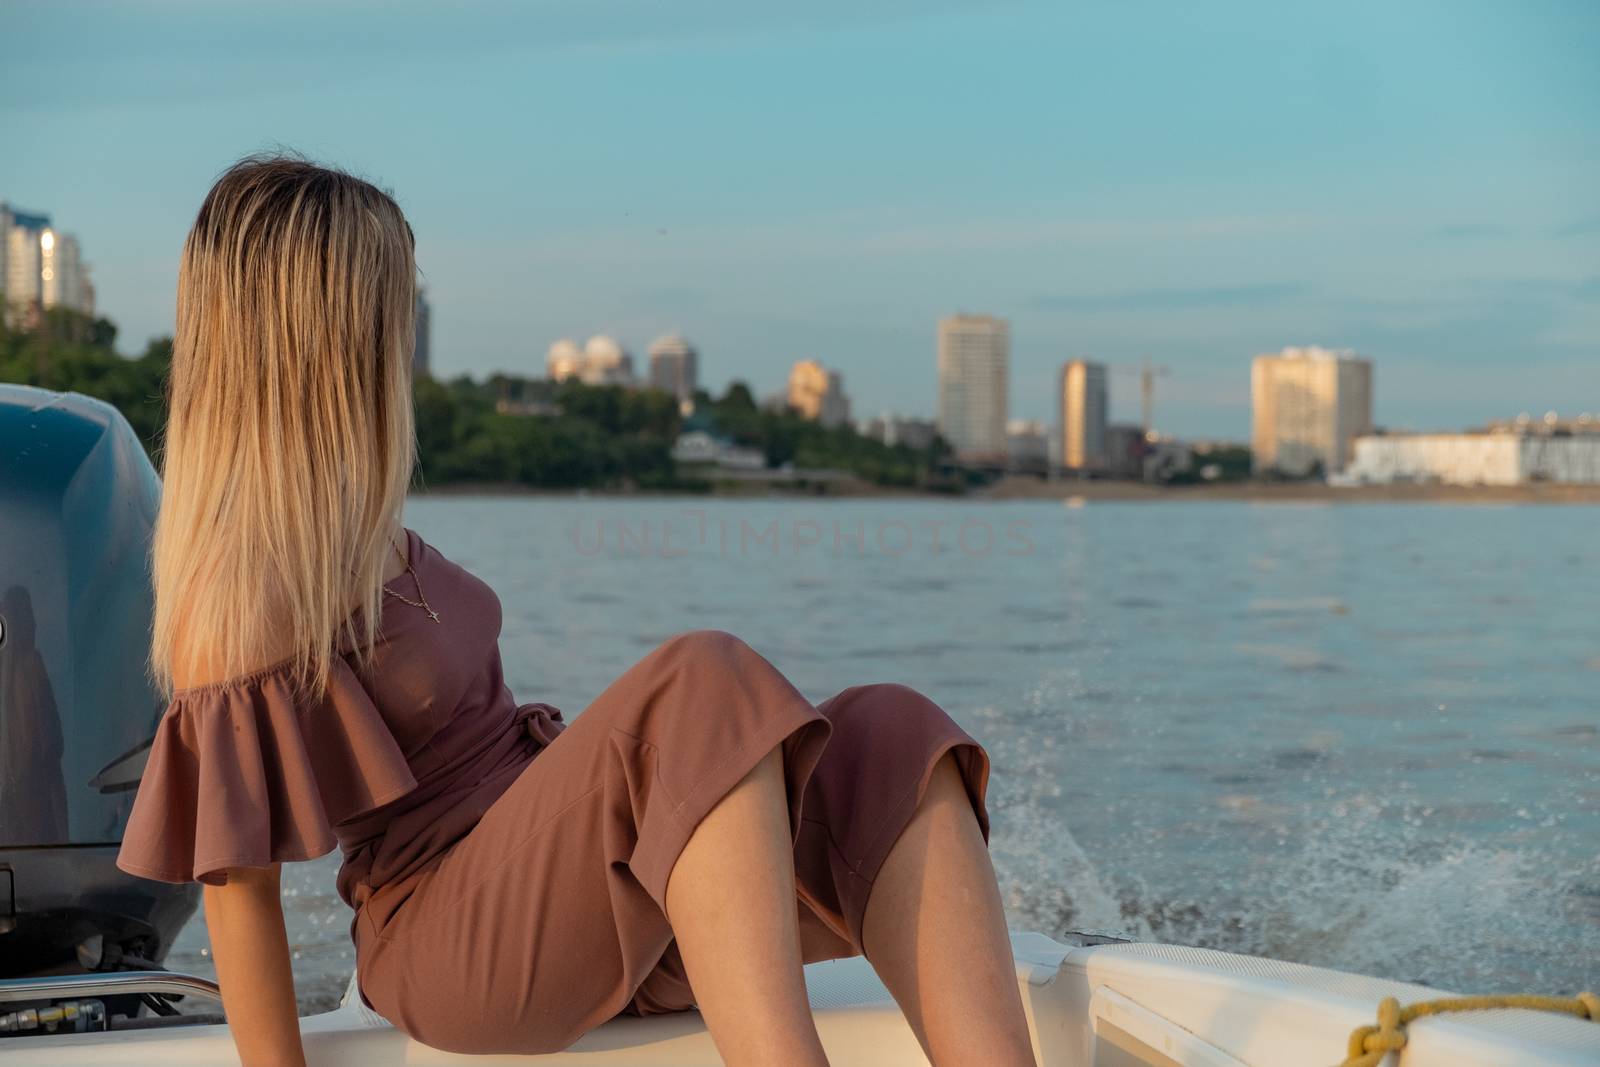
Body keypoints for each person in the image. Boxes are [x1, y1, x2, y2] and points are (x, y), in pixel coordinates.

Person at [115, 155, 1035, 1067]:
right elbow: (239, 892)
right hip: (451, 938)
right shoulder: (239, 582)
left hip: (565, 898)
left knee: (891, 736)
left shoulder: (355, 526)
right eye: (388, 303)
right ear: (321, 332)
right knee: (704, 678)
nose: (403, 330)